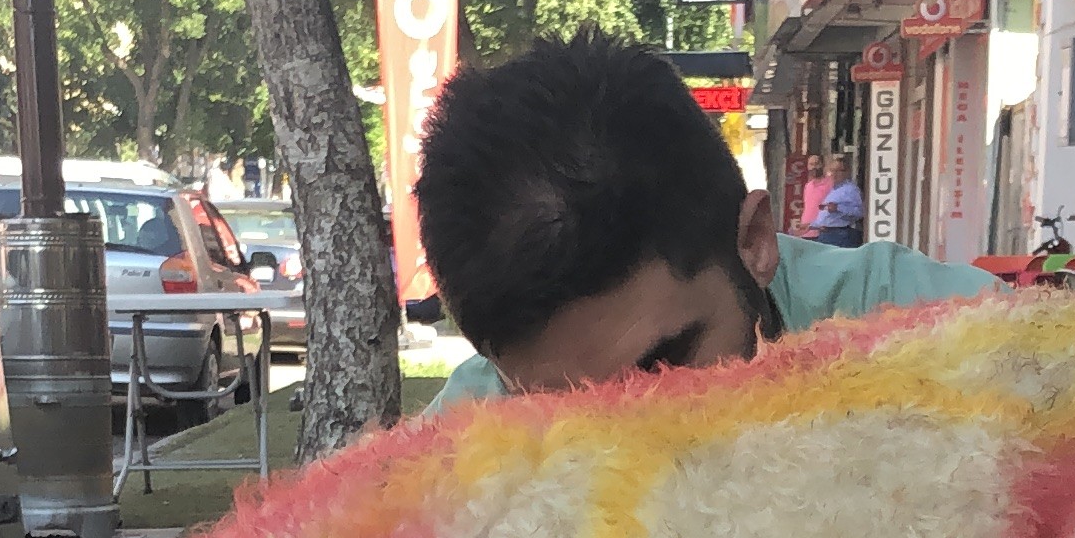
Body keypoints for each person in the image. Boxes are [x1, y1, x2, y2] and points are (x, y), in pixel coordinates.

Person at [419, 36, 988, 405]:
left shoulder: (948, 337)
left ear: (756, 242)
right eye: (554, 412)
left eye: (665, 369)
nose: (632, 447)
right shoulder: (450, 465)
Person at [807, 160, 865, 249]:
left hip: (839, 235)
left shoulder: (850, 189)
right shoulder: (834, 190)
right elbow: (826, 216)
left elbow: (860, 212)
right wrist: (810, 226)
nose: (834, 174)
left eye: (839, 171)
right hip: (825, 234)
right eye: (832, 170)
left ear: (847, 172)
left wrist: (838, 208)